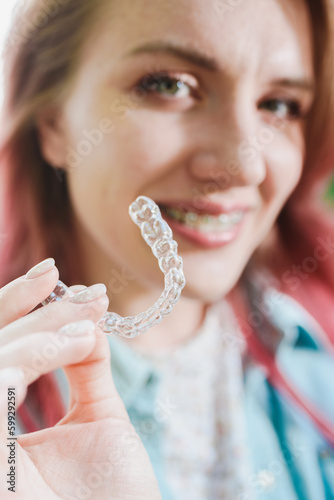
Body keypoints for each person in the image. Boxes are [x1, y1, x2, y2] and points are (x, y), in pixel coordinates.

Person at [0, 0, 333, 498]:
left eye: (278, 104)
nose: (245, 166)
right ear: (54, 122)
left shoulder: (316, 360)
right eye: (169, 84)